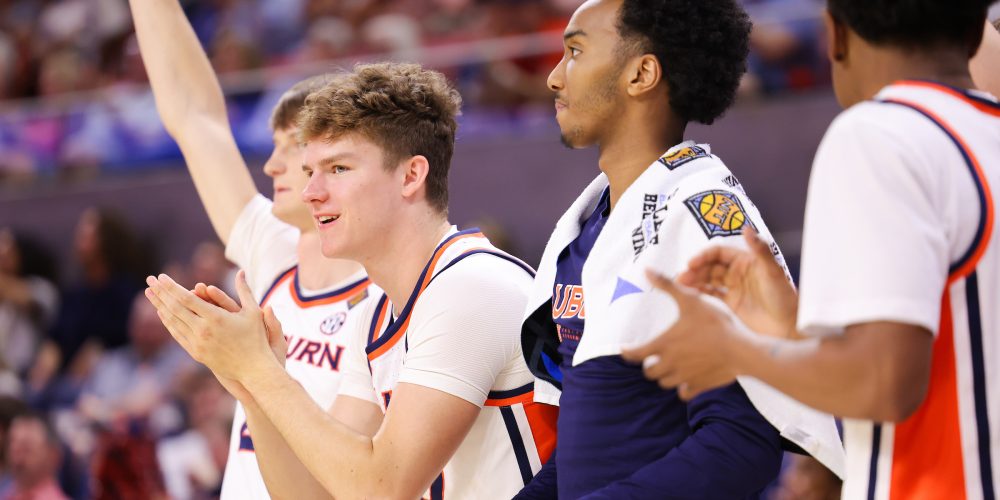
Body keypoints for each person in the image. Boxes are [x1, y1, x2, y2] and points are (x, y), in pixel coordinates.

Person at [621, 0, 1000, 498]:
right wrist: (790, 329)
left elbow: (885, 384)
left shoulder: (879, 133)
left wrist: (734, 350)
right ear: (977, 31)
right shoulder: (986, 131)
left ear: (834, 36)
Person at [145, 62, 557, 499]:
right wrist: (249, 385)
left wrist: (261, 372)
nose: (311, 192)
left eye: (338, 169)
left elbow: (383, 487)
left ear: (411, 175)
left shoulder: (470, 287)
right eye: (310, 171)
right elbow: (316, 495)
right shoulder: (375, 316)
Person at [515, 0, 843, 498]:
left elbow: (741, 444)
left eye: (575, 52)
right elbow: (588, 452)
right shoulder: (584, 232)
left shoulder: (705, 218)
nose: (554, 79)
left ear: (642, 73)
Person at [125, 0, 379, 497]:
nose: (271, 167)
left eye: (291, 146)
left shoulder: (389, 291)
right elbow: (195, 118)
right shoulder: (274, 249)